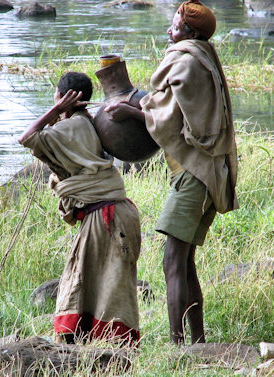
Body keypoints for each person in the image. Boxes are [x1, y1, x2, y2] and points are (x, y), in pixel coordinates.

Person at [105, 0, 238, 345]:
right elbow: (173, 105)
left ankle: (179, 346)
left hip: (196, 172)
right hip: (207, 171)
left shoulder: (184, 59)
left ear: (190, 32)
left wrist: (133, 113)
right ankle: (197, 342)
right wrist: (140, 107)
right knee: (185, 260)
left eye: (175, 25)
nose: (169, 30)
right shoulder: (202, 54)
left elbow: (170, 118)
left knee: (172, 260)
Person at [18, 72, 141, 346]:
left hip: (107, 218)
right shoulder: (86, 123)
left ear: (61, 98)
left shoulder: (70, 128)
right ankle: (90, 348)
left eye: (58, 99)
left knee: (105, 286)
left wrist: (55, 110)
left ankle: (105, 350)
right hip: (115, 214)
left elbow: (27, 138)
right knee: (99, 282)